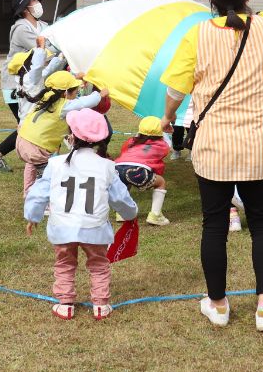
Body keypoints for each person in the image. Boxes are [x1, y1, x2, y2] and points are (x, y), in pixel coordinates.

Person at [160, 0, 263, 332]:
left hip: (213, 146)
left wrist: (169, 117)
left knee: (213, 226)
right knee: (262, 224)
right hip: (256, 145)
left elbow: (175, 91)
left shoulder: (197, 34)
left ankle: (217, 304)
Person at [24, 108, 138, 320]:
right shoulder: (107, 166)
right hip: (94, 228)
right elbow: (121, 198)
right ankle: (101, 305)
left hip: (62, 227)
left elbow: (38, 192)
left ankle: (65, 303)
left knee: (65, 263)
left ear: (72, 135)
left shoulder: (55, 163)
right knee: (99, 264)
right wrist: (131, 214)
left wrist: (32, 216)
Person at [15, 71, 105, 195]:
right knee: (48, 176)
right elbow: (85, 102)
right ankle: (44, 200)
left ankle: (28, 191)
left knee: (31, 164)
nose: (76, 93)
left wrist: (73, 78)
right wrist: (99, 95)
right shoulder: (63, 106)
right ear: (65, 93)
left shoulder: (45, 97)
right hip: (37, 146)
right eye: (75, 91)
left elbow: (63, 87)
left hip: (23, 140)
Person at [0, 0, 46, 170]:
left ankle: (44, 159)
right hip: (15, 85)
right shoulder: (21, 28)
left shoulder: (42, 25)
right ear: (25, 8)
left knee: (32, 124)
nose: (38, 4)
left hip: (32, 85)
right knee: (28, 125)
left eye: (37, 0)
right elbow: (45, 50)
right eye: (34, 1)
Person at [114, 116, 172, 226]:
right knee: (160, 182)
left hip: (117, 169)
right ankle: (155, 215)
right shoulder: (161, 145)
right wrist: (165, 132)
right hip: (137, 171)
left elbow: (124, 150)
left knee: (124, 183)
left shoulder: (131, 141)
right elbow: (168, 146)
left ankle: (122, 213)